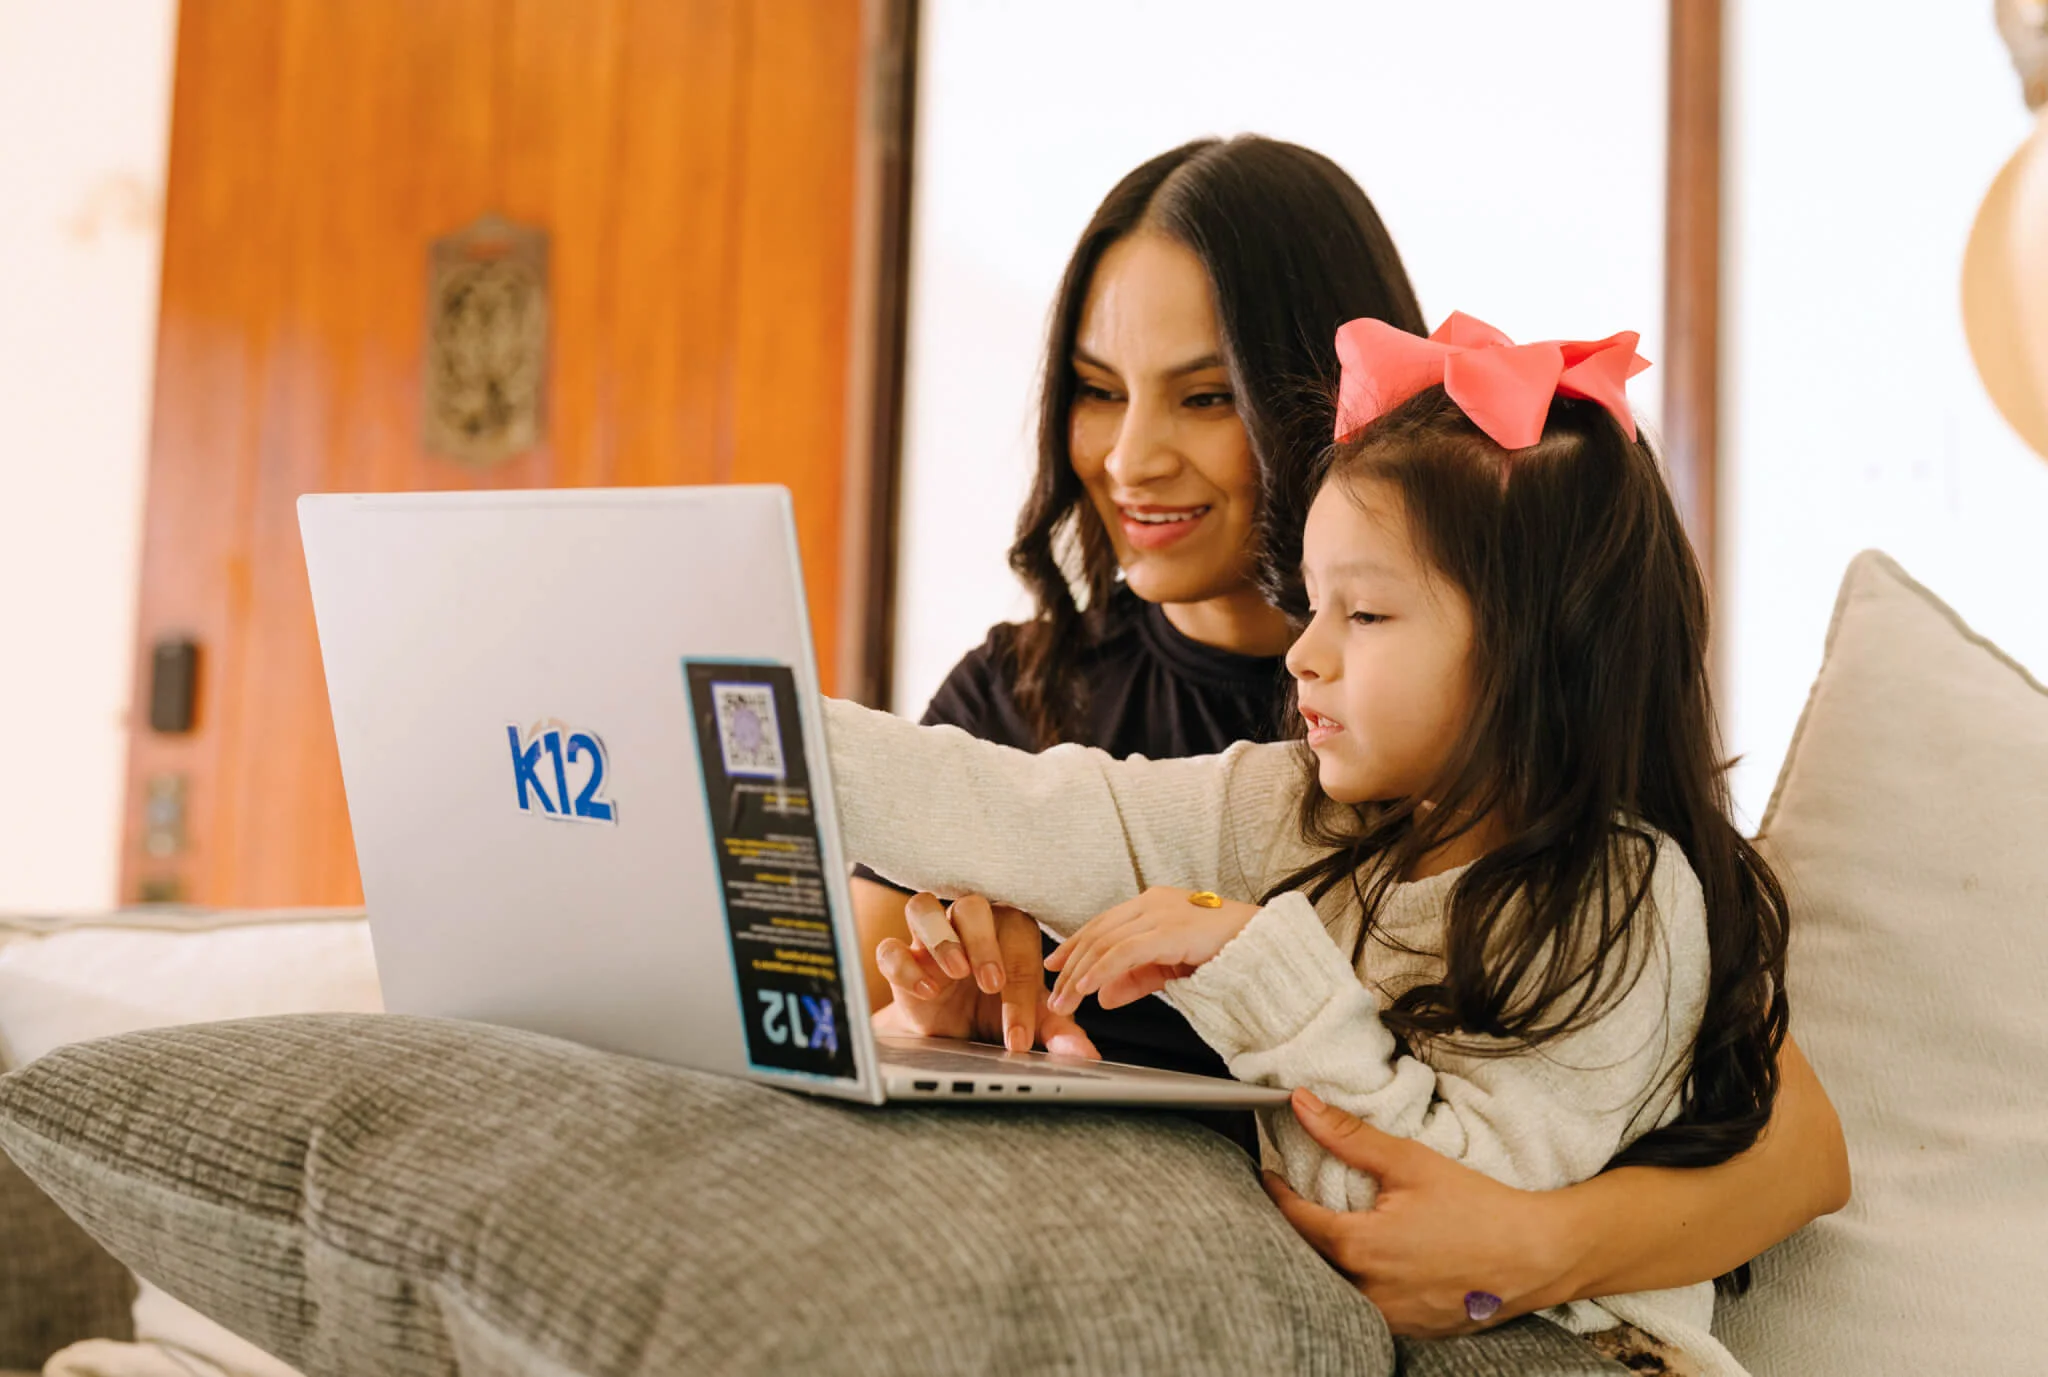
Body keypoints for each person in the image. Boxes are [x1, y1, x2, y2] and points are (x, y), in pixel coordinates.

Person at [860, 134, 1847, 1344]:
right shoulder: (1023, 700)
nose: (1128, 456)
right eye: (1096, 389)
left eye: (1205, 394)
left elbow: (1789, 1147)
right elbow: (869, 992)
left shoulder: (1469, 774)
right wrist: (951, 1000)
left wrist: (1529, 1248)